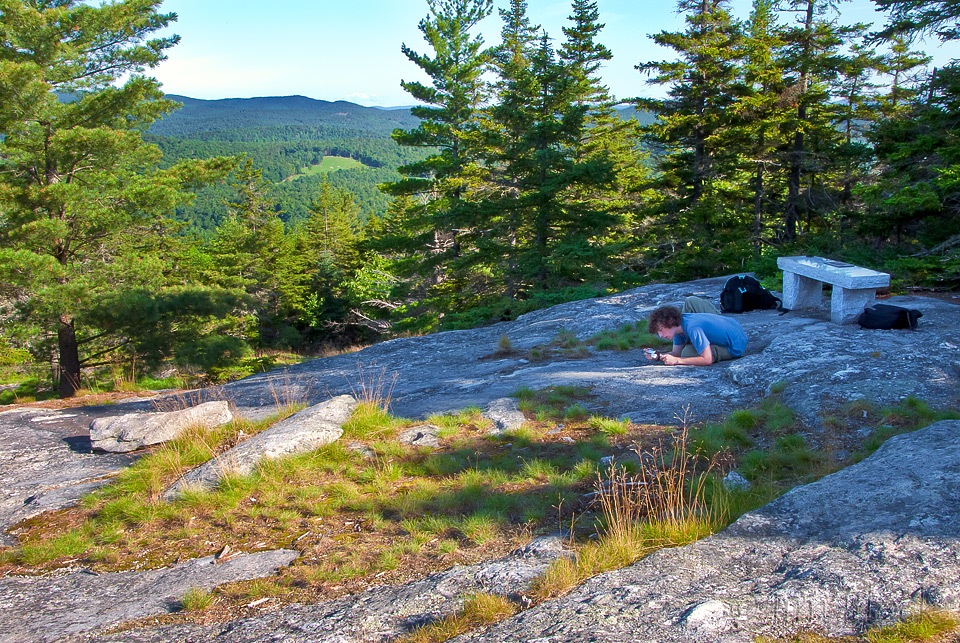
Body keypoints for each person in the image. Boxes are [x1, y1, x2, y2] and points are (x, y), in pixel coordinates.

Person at [647, 304, 747, 366]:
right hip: (734, 327)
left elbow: (707, 360)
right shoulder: (678, 328)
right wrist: (659, 356)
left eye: (661, 330)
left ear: (670, 322)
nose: (660, 335)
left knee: (687, 353)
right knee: (684, 353)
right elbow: (676, 353)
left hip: (735, 346)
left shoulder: (693, 328)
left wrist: (677, 361)